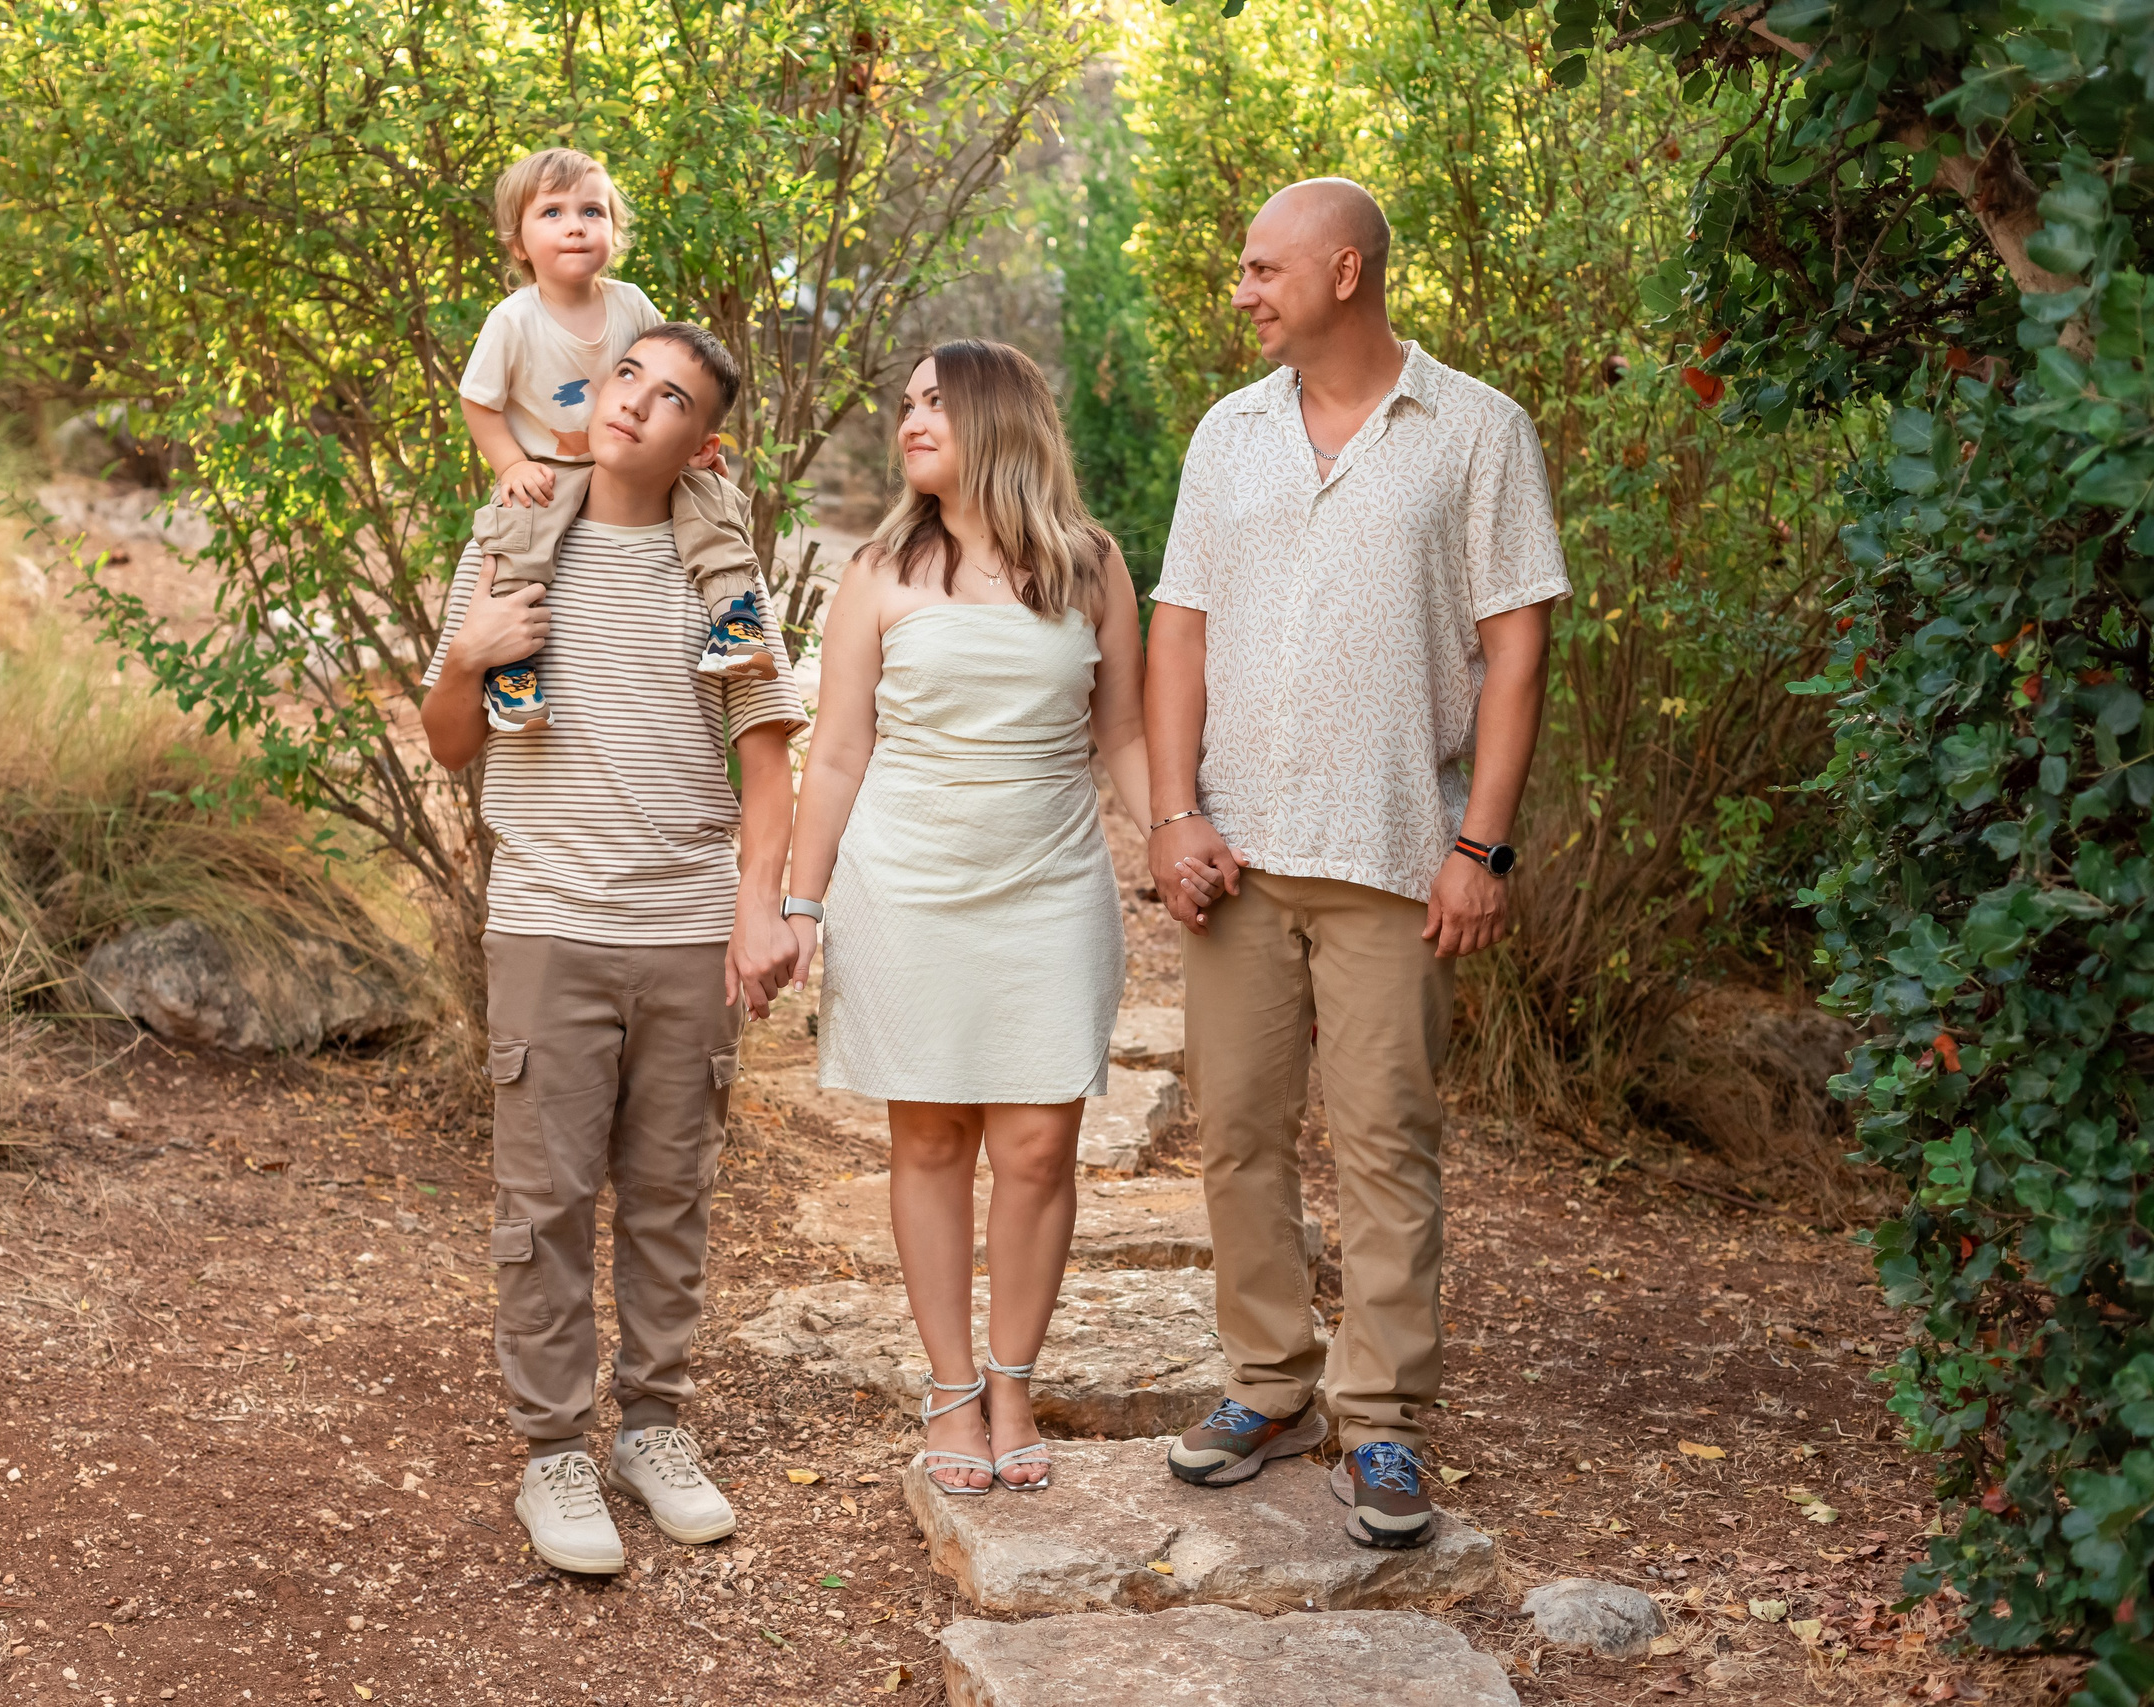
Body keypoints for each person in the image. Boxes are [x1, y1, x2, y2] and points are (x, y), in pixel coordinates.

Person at [1144, 179, 1567, 1548]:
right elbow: (1180, 633)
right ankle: (1269, 1383)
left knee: (1390, 1142)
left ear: (1345, 271)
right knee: (1240, 1135)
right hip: (1241, 848)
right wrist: (1169, 812)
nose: (1243, 289)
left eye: (1264, 268)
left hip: (1395, 849)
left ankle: (1381, 1421)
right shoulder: (1229, 434)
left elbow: (1517, 648)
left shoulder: (1478, 431)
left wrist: (1480, 843)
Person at [419, 322, 804, 1573]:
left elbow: (763, 757)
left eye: (672, 395)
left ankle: (653, 1429)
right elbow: (449, 740)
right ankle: (553, 1457)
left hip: (687, 930)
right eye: (625, 375)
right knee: (547, 1201)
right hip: (549, 922)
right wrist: (471, 657)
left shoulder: (722, 569)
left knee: (669, 1194)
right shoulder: (512, 540)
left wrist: (761, 908)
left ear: (703, 441)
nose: (636, 402)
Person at [782, 340, 1151, 1496]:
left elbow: (1126, 740)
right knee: (931, 1137)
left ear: (997, 415)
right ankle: (949, 1389)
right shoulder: (881, 569)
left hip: (1048, 883)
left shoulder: (1090, 565)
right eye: (904, 404)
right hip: (906, 884)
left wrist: (1181, 842)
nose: (910, 419)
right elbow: (836, 752)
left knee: (1039, 1147)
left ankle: (1012, 1382)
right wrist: (799, 900)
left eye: (934, 401)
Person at [458, 147, 777, 732]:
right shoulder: (514, 319)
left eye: (593, 211)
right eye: (552, 213)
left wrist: (692, 450)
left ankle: (733, 620)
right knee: (519, 545)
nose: (576, 225)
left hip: (631, 461)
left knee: (712, 505)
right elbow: (479, 402)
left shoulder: (629, 302)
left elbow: (664, 371)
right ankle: (513, 672)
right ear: (518, 245)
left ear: (614, 230)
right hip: (549, 470)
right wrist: (509, 466)